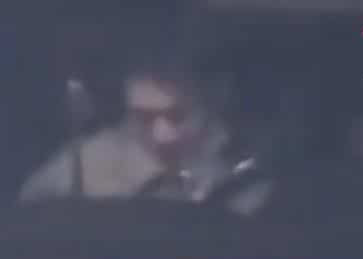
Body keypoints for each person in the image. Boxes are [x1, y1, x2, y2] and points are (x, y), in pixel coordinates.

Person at [19, 56, 272, 211]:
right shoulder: (83, 166)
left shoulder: (242, 171)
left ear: (210, 106)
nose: (162, 135)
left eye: (178, 117)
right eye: (143, 118)